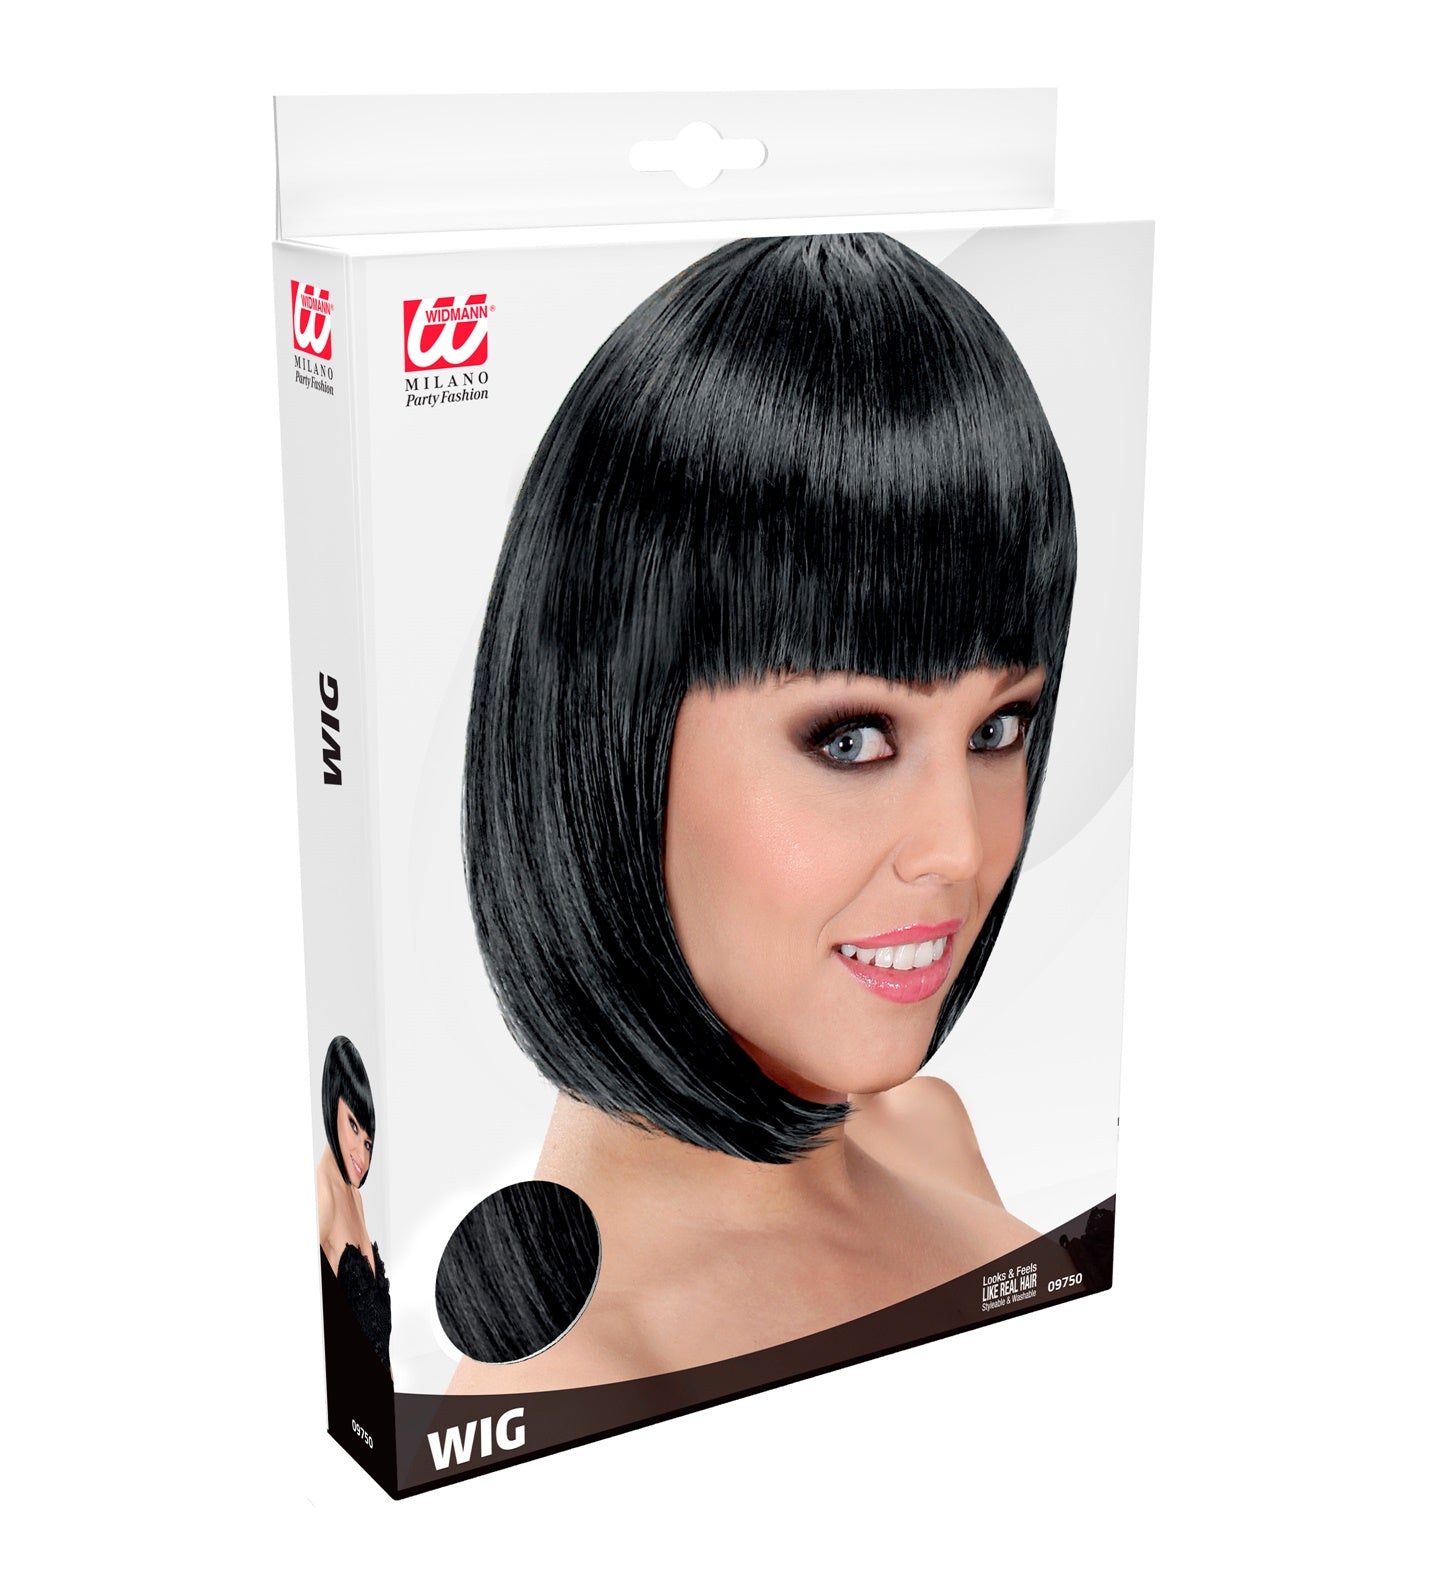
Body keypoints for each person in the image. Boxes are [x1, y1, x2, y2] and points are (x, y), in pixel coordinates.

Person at [447, 231, 1076, 1392]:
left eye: (996, 729)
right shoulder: (574, 1377)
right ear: (608, 734)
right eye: (850, 739)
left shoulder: (923, 1130)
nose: (961, 850)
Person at [317, 1034, 391, 1373]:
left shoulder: (355, 1198)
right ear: (332, 1103)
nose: (362, 1155)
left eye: (368, 1143)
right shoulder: (322, 1197)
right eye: (353, 1125)